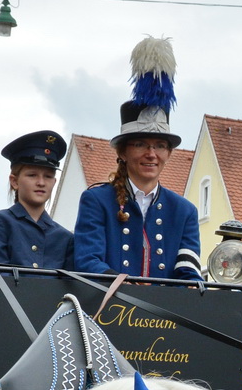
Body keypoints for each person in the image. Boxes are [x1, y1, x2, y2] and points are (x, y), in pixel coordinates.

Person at [72, 37, 203, 281]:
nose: (151, 154)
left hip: (164, 317)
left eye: (160, 146)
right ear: (122, 152)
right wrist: (128, 291)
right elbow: (87, 261)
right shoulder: (96, 200)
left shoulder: (184, 211)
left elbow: (188, 273)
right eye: (140, 144)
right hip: (109, 309)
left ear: (169, 153)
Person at [0, 131, 74, 270]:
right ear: (14, 181)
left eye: (48, 176)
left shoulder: (65, 238)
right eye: (32, 175)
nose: (41, 182)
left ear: (54, 182)